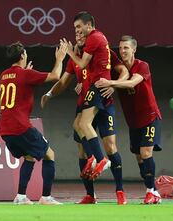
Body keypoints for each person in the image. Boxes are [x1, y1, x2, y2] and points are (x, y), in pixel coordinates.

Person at [41, 34, 128, 204]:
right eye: (76, 34)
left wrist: (114, 84)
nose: (79, 37)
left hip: (103, 103)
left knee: (110, 146)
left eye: (81, 33)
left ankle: (120, 191)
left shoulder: (102, 51)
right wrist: (50, 93)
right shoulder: (74, 59)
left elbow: (123, 71)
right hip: (84, 104)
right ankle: (90, 194)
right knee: (82, 151)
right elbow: (63, 82)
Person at [0, 41, 66, 205]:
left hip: (5, 128)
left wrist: (25, 71)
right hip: (20, 126)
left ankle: (21, 196)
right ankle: (46, 197)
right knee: (50, 154)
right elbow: (55, 76)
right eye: (25, 53)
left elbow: (17, 87)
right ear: (22, 56)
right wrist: (60, 59)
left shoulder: (4, 75)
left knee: (29, 157)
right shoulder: (25, 74)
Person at [95, 35, 162, 204]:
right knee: (139, 158)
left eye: (126, 48)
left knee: (146, 153)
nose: (122, 51)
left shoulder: (142, 66)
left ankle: (150, 192)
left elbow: (132, 83)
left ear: (134, 49)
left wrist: (111, 83)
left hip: (150, 117)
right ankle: (154, 190)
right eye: (120, 48)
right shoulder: (117, 71)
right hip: (133, 122)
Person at [61, 11, 113, 180]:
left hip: (98, 85)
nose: (77, 31)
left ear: (89, 25)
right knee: (77, 123)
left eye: (79, 27)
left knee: (84, 122)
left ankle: (101, 159)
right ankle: (91, 157)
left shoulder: (94, 38)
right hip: (94, 85)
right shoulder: (97, 38)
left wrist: (70, 52)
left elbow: (82, 63)